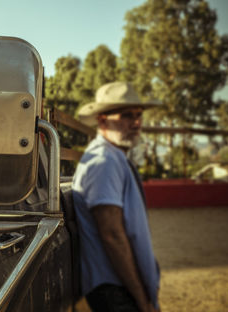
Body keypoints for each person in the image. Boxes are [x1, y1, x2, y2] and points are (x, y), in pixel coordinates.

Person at [72, 81, 161, 312]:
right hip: (115, 291)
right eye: (127, 116)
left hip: (116, 288)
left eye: (139, 115)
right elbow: (112, 235)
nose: (137, 123)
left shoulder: (113, 158)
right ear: (103, 120)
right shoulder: (105, 161)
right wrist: (142, 298)